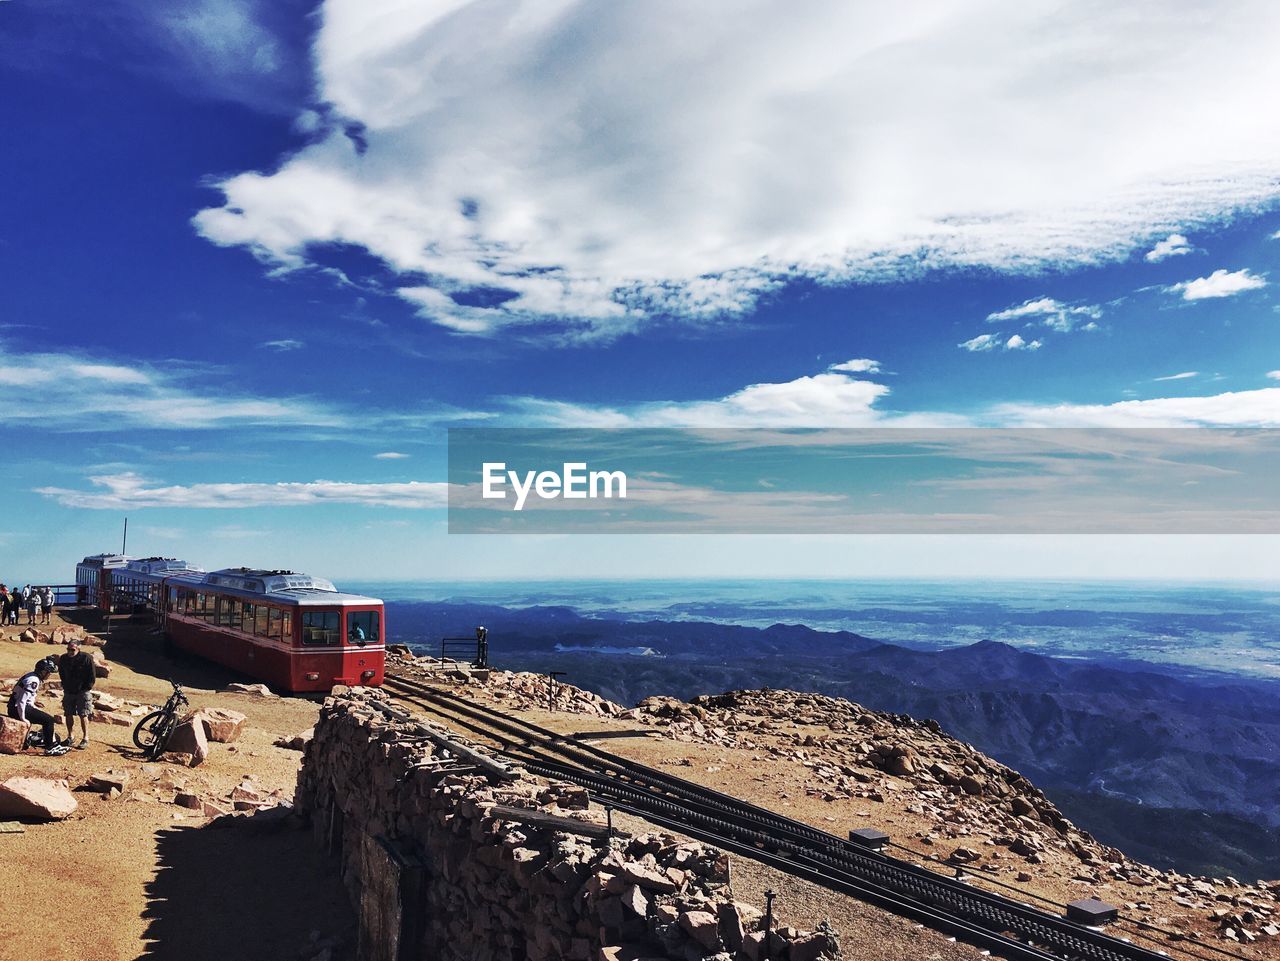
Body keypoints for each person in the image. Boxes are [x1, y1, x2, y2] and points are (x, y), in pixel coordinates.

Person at [6, 657, 61, 754]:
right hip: (16, 708)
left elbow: (28, 699)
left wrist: (33, 708)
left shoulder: (33, 676)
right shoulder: (33, 680)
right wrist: (23, 718)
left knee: (44, 717)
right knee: (48, 720)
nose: (49, 675)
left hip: (15, 707)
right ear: (43, 671)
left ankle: (32, 740)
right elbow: (21, 701)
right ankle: (50, 747)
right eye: (48, 672)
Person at [58, 638, 96, 750]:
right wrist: (65, 685)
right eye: (68, 649)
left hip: (82, 691)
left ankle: (85, 738)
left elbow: (92, 675)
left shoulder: (86, 658)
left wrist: (86, 688)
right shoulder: (64, 659)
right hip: (69, 690)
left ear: (78, 649)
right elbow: (61, 672)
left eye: (72, 650)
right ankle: (70, 736)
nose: (70, 652)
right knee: (68, 713)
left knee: (83, 714)